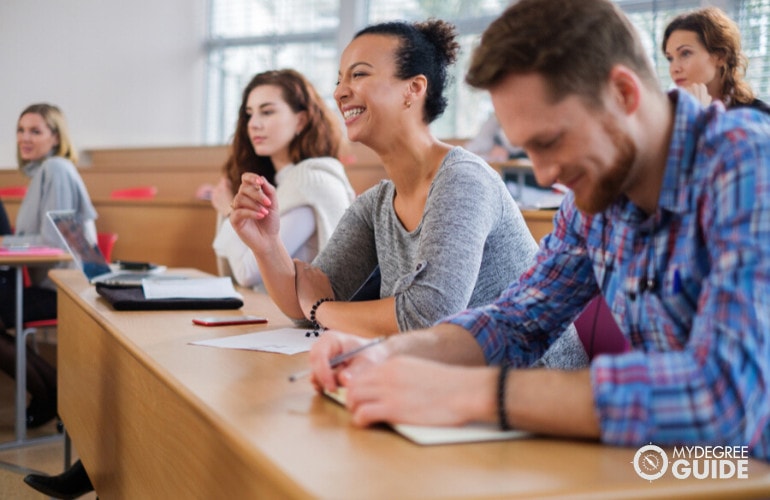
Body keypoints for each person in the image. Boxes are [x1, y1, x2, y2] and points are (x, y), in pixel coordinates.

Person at [308, 0, 770, 460]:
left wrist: (470, 394)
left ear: (624, 95)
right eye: (528, 149)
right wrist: (391, 355)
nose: (546, 175)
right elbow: (515, 320)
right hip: (678, 468)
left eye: (549, 141)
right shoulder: (597, 197)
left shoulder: (748, 165)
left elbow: (725, 398)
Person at [230, 20, 587, 364]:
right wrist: (267, 245)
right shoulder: (378, 203)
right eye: (339, 80)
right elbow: (302, 303)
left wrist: (321, 309)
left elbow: (427, 316)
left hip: (535, 388)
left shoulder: (463, 179)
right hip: (454, 384)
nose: (339, 92)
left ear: (414, 89)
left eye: (359, 74)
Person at [211, 69, 356, 289]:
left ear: (301, 120)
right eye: (249, 114)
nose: (253, 124)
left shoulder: (311, 182)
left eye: (267, 112)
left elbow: (248, 272)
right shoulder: (283, 181)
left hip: (302, 320)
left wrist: (230, 210)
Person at [0, 103, 97, 429]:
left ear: (55, 137)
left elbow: (56, 243)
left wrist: (4, 243)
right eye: (20, 130)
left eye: (35, 131)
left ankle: (57, 394)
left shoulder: (56, 169)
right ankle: (53, 392)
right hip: (52, 284)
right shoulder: (45, 171)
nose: (24, 138)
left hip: (69, 288)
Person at [663, 6, 770, 113]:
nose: (674, 69)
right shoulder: (669, 116)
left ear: (720, 56)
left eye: (685, 53)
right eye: (670, 58)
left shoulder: (760, 116)